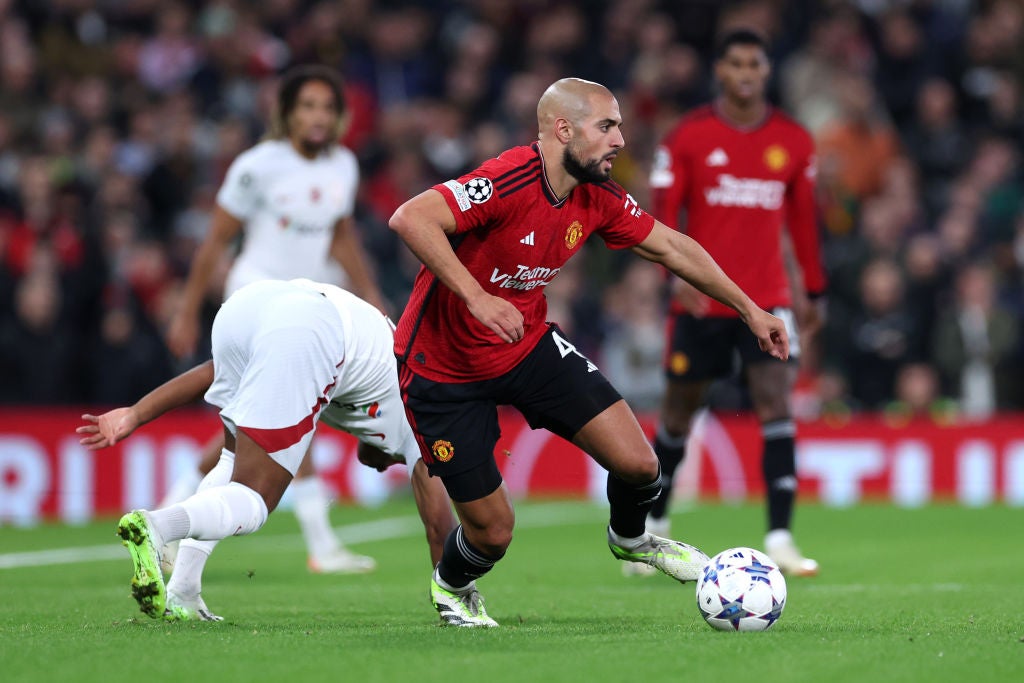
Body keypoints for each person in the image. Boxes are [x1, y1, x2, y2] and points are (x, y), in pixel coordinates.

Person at [388, 76, 790, 628]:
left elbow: (672, 245)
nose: (620, 139)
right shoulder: (507, 178)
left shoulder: (596, 196)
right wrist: (477, 296)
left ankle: (631, 539)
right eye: (607, 126)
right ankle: (452, 585)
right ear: (563, 129)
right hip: (443, 369)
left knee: (641, 465)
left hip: (524, 347)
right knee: (493, 533)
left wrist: (750, 309)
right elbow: (411, 217)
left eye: (620, 125)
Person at [78, 278, 455, 621]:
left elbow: (211, 371)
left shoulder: (384, 379)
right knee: (255, 500)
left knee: (230, 461)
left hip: (249, 306)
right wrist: (457, 593)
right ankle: (158, 525)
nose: (376, 467)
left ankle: (184, 591)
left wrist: (136, 413)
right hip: (309, 328)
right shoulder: (422, 417)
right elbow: (439, 526)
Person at [163, 64, 388, 575]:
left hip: (307, 303)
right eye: (307, 106)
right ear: (287, 113)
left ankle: (167, 515)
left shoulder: (344, 166)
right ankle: (322, 546)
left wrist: (371, 294)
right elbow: (216, 239)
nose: (317, 117)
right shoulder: (257, 165)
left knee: (244, 431)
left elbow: (341, 236)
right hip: (254, 298)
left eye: (327, 108)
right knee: (289, 417)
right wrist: (185, 307)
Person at [644, 30, 827, 577]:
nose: (746, 73)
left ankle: (781, 536)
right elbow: (659, 215)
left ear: (766, 70)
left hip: (768, 299)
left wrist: (812, 289)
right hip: (701, 300)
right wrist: (670, 275)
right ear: (720, 72)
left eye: (755, 63)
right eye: (736, 63)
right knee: (678, 413)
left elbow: (803, 223)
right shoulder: (688, 137)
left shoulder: (793, 140)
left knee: (777, 403)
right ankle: (653, 528)